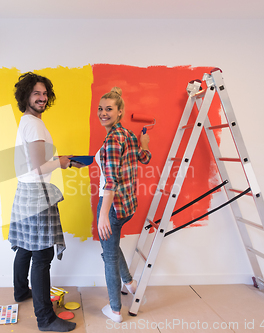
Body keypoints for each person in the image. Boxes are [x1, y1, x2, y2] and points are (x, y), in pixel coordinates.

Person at [8, 72, 79, 332]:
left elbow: (33, 163)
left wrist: (60, 161)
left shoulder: (27, 122)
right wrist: (61, 162)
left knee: (26, 248)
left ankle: (20, 292)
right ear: (26, 96)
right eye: (36, 93)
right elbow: (39, 166)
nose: (42, 97)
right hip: (36, 193)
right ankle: (45, 319)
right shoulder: (35, 124)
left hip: (25, 191)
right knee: (41, 255)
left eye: (44, 93)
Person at [95, 87, 151, 323]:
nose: (103, 113)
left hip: (113, 205)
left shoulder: (111, 141)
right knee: (112, 246)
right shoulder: (127, 134)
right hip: (128, 205)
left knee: (108, 255)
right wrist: (145, 142)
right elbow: (144, 157)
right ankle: (129, 282)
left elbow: (110, 181)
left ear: (120, 112)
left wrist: (103, 215)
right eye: (100, 108)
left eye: (109, 109)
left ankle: (115, 310)